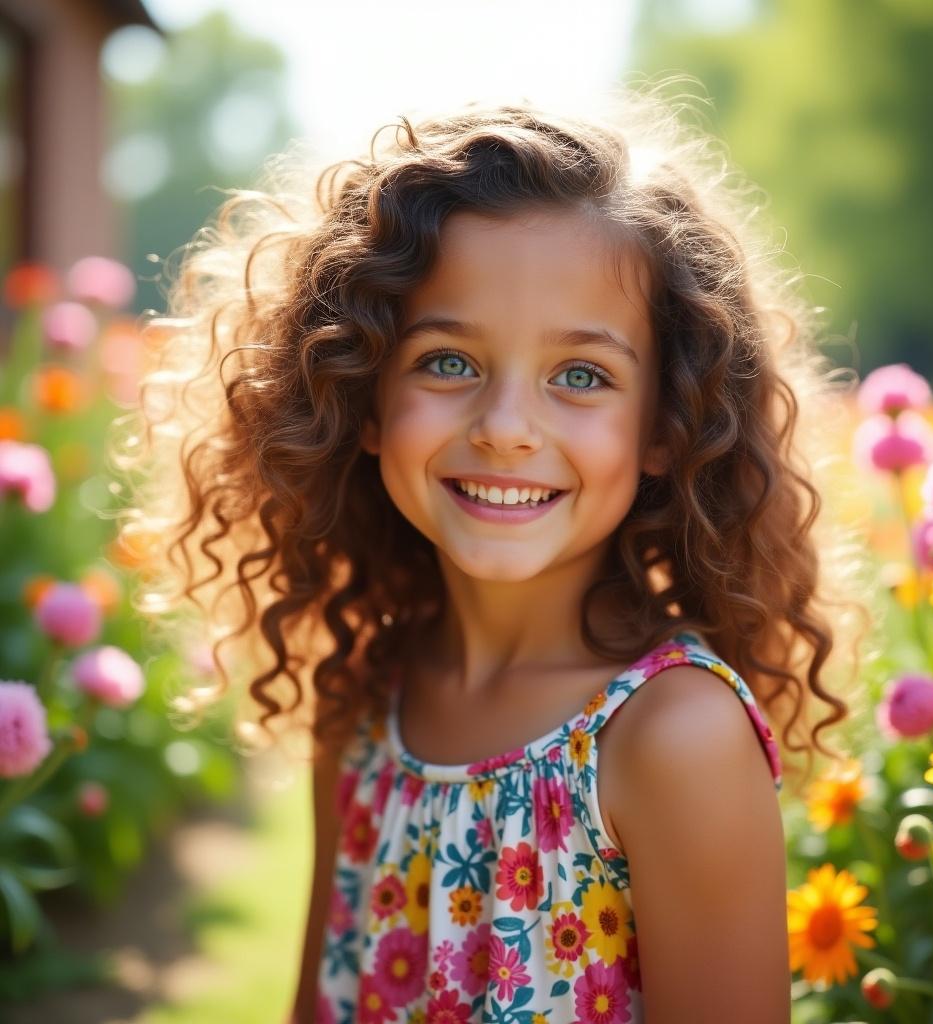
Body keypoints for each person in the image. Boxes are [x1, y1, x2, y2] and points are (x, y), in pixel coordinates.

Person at [120, 83, 871, 1023]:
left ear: (666, 427)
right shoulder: (365, 703)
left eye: (581, 375)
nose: (508, 427)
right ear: (357, 391)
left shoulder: (675, 739)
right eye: (447, 361)